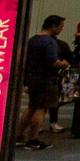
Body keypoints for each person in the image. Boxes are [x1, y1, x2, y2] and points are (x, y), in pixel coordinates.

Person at [18, 15, 68, 150]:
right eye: (61, 26)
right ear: (53, 26)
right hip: (46, 79)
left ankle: (18, 135)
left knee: (32, 106)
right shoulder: (50, 42)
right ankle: (33, 139)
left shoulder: (33, 40)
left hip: (33, 77)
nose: (61, 29)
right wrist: (63, 64)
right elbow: (53, 62)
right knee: (41, 108)